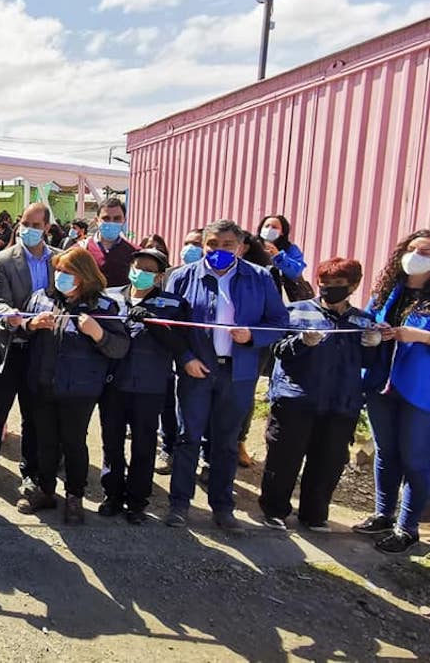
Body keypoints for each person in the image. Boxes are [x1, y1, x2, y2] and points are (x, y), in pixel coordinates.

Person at [163, 219, 289, 530]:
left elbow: (279, 321)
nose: (219, 251)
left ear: (241, 247)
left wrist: (253, 336)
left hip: (238, 372)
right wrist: (185, 357)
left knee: (226, 441)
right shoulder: (181, 277)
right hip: (196, 370)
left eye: (227, 245)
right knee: (186, 437)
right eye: (212, 245)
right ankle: (179, 504)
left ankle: (222, 506)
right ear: (203, 245)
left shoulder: (259, 278)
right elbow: (168, 325)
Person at [258, 258, 380, 532]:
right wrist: (301, 342)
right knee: (284, 457)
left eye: (338, 284)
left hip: (341, 403)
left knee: (329, 460)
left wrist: (373, 346)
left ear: (354, 285)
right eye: (324, 283)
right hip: (296, 399)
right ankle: (275, 510)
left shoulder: (362, 320)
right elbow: (276, 350)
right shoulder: (296, 312)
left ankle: (314, 515)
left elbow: (369, 362)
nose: (329, 289)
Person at [17, 247, 130, 523]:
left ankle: (74, 496)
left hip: (80, 390)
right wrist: (30, 326)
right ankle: (45, 491)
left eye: (68, 272)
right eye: (58, 271)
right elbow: (19, 332)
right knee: (45, 442)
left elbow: (120, 347)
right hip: (43, 384)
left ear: (83, 275)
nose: (61, 277)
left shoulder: (103, 307)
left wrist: (98, 333)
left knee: (73, 444)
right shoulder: (40, 299)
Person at [0, 203, 58, 496]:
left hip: (45, 351)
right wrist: (19, 319)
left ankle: (30, 473)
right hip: (11, 347)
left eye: (35, 225)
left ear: (47, 227)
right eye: (25, 223)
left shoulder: (60, 261)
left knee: (34, 415)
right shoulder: (2, 260)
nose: (28, 229)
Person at [100, 249, 190, 524]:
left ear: (160, 276)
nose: (141, 273)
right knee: (111, 442)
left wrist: (153, 322)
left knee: (144, 444)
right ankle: (112, 494)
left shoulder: (173, 303)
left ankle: (137, 501)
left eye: (149, 270)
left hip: (149, 386)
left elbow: (181, 344)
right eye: (137, 267)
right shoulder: (111, 296)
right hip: (113, 384)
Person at [355, 229, 430, 554]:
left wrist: (421, 336)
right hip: (380, 382)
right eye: (412, 249)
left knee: (415, 458)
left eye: (425, 252)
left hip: (419, 389)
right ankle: (383, 514)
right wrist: (373, 331)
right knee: (386, 452)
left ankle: (408, 527)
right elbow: (366, 321)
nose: (415, 256)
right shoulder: (388, 291)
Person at [82, 197, 135, 288]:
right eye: (106, 218)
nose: (111, 222)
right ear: (97, 221)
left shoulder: (135, 252)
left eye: (117, 218)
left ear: (124, 221)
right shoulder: (81, 249)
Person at [256, 214, 309, 298]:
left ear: (282, 232)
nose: (269, 229)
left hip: (281, 298)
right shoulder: (251, 246)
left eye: (274, 227)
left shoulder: (291, 249)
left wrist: (278, 256)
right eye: (266, 226)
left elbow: (296, 273)